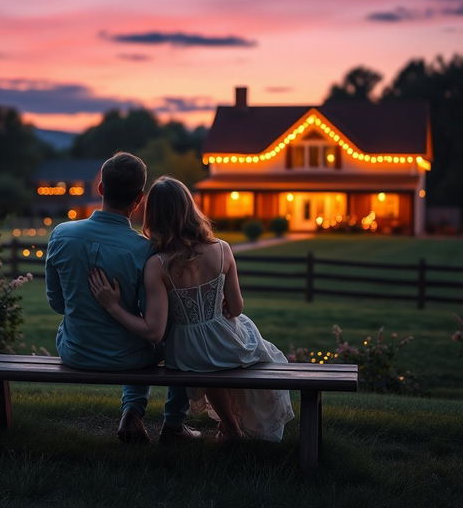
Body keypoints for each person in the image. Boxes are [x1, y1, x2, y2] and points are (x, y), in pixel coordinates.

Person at [89, 176, 295, 441]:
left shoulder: (158, 264)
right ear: (190, 208)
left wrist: (112, 306)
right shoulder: (222, 249)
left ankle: (230, 426)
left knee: (208, 365)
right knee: (254, 343)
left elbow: (153, 331)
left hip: (187, 353)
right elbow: (235, 307)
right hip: (226, 344)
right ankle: (232, 426)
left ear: (153, 216)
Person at [45, 153, 200, 444]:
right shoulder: (145, 251)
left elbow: (57, 304)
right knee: (177, 335)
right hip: (130, 358)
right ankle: (141, 412)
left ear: (101, 188)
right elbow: (154, 325)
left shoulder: (61, 235)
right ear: (139, 199)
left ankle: (133, 412)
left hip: (75, 351)